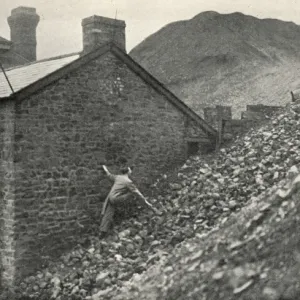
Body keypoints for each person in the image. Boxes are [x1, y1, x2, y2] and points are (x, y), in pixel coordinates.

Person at [99, 165, 159, 238]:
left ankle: (103, 232)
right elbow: (138, 194)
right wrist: (148, 204)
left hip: (110, 198)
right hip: (118, 199)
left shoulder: (118, 177)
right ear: (128, 172)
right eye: (130, 170)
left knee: (108, 214)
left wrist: (105, 169)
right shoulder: (128, 181)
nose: (131, 171)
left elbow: (109, 175)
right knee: (133, 193)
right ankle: (133, 209)